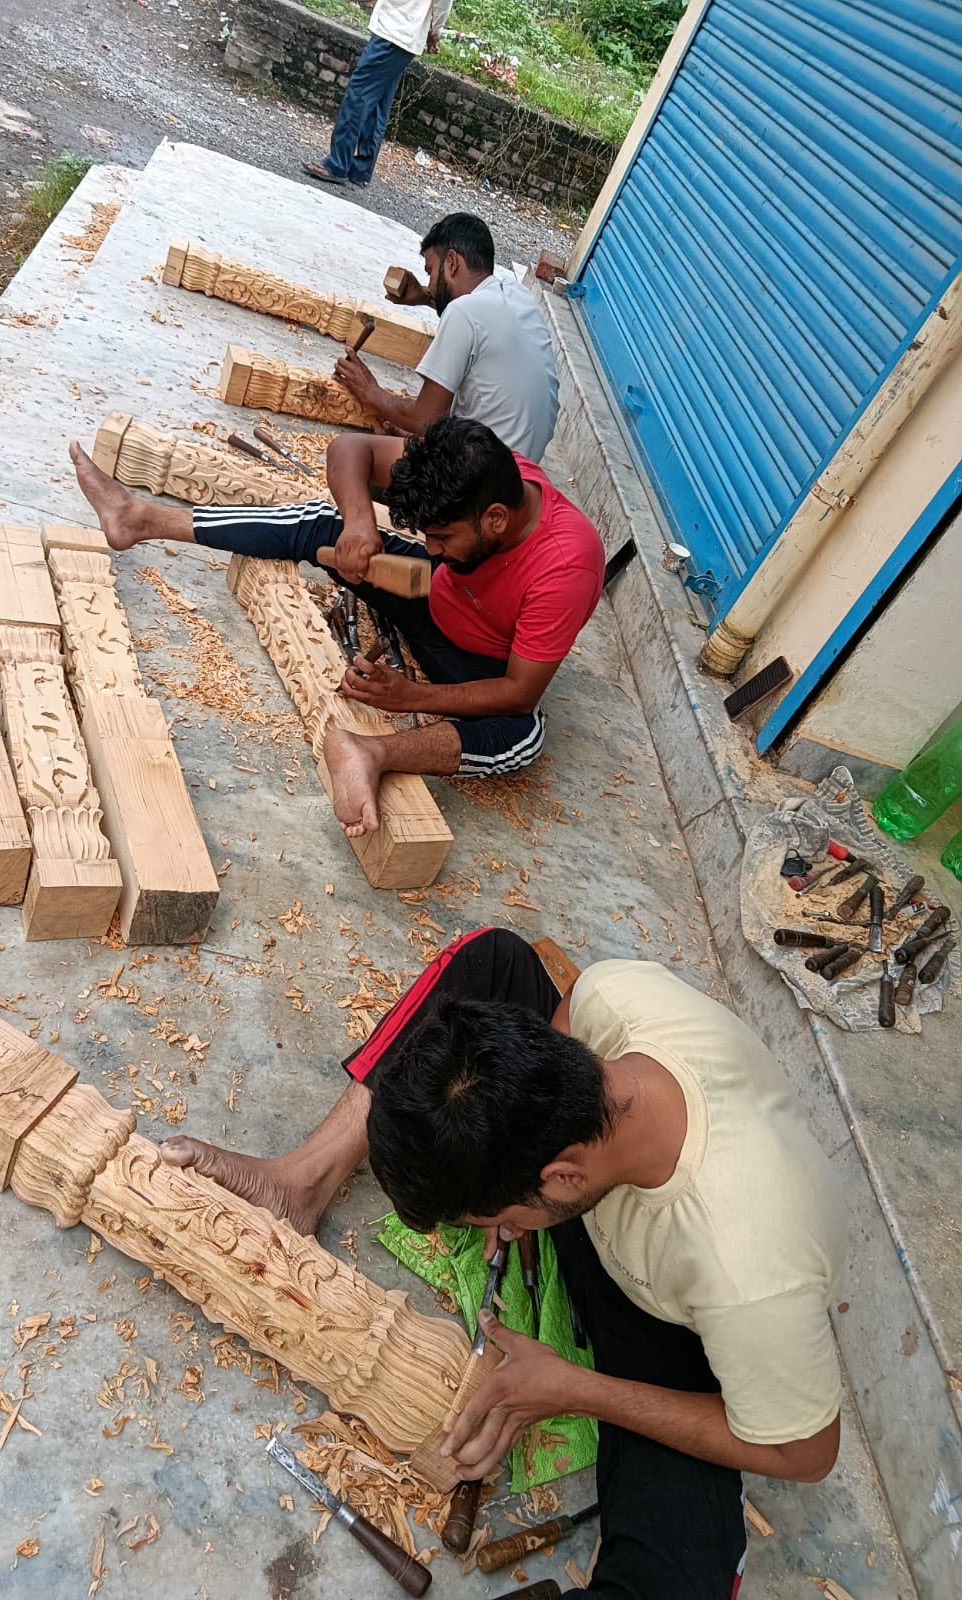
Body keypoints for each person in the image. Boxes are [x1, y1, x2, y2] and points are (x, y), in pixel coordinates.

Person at [159, 928, 848, 1599]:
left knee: (672, 1579)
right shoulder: (609, 999)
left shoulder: (748, 1275)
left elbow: (806, 1454)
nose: (500, 1236)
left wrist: (576, 1389)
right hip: (601, 1196)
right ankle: (301, 1180)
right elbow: (553, 1025)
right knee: (494, 963)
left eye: (499, 1223)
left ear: (563, 1179)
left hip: (670, 1323)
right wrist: (511, 1201)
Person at [69, 416, 604, 837]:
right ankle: (142, 519)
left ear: (495, 520)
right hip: (429, 592)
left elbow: (517, 690)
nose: (431, 546)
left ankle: (372, 751)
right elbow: (352, 449)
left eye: (441, 535)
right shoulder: (479, 467)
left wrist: (414, 695)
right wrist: (360, 525)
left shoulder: (567, 564)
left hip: (474, 660)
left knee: (523, 736)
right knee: (319, 525)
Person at [335, 213, 560, 462]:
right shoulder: (518, 295)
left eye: (431, 272)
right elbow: (477, 322)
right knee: (412, 435)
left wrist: (372, 392)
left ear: (451, 262)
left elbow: (424, 419)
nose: (430, 286)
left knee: (350, 453)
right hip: (522, 471)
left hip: (480, 479)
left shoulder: (462, 311)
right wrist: (425, 297)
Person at [303, 0, 452, 191]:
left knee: (358, 95)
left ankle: (338, 164)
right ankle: (361, 169)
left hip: (395, 28)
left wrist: (436, 29)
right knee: (379, 103)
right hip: (403, 31)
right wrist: (434, 30)